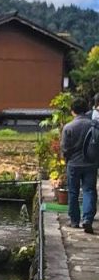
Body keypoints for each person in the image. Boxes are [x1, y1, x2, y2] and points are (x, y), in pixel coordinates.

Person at [61, 97, 97, 233]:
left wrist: (67, 160)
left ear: (72, 111)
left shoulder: (68, 127)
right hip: (90, 163)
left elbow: (64, 148)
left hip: (74, 164)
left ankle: (75, 221)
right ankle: (87, 219)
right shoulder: (93, 125)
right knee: (89, 191)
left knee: (73, 192)